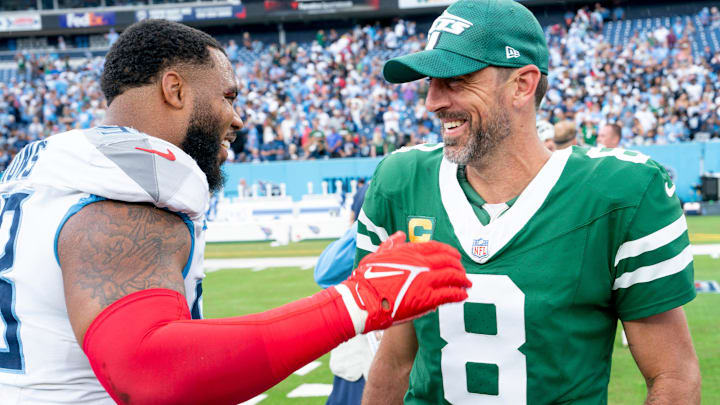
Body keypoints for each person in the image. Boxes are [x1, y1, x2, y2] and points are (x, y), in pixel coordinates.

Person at [0, 20, 471, 405]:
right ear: (174, 89)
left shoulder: (57, 168)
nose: (239, 119)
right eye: (227, 97)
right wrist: (359, 301)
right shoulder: (126, 189)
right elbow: (148, 372)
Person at [358, 1, 700, 404]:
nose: (431, 102)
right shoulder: (403, 182)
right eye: (430, 82)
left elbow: (674, 376)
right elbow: (395, 358)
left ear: (522, 84)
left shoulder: (621, 193)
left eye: (455, 80)